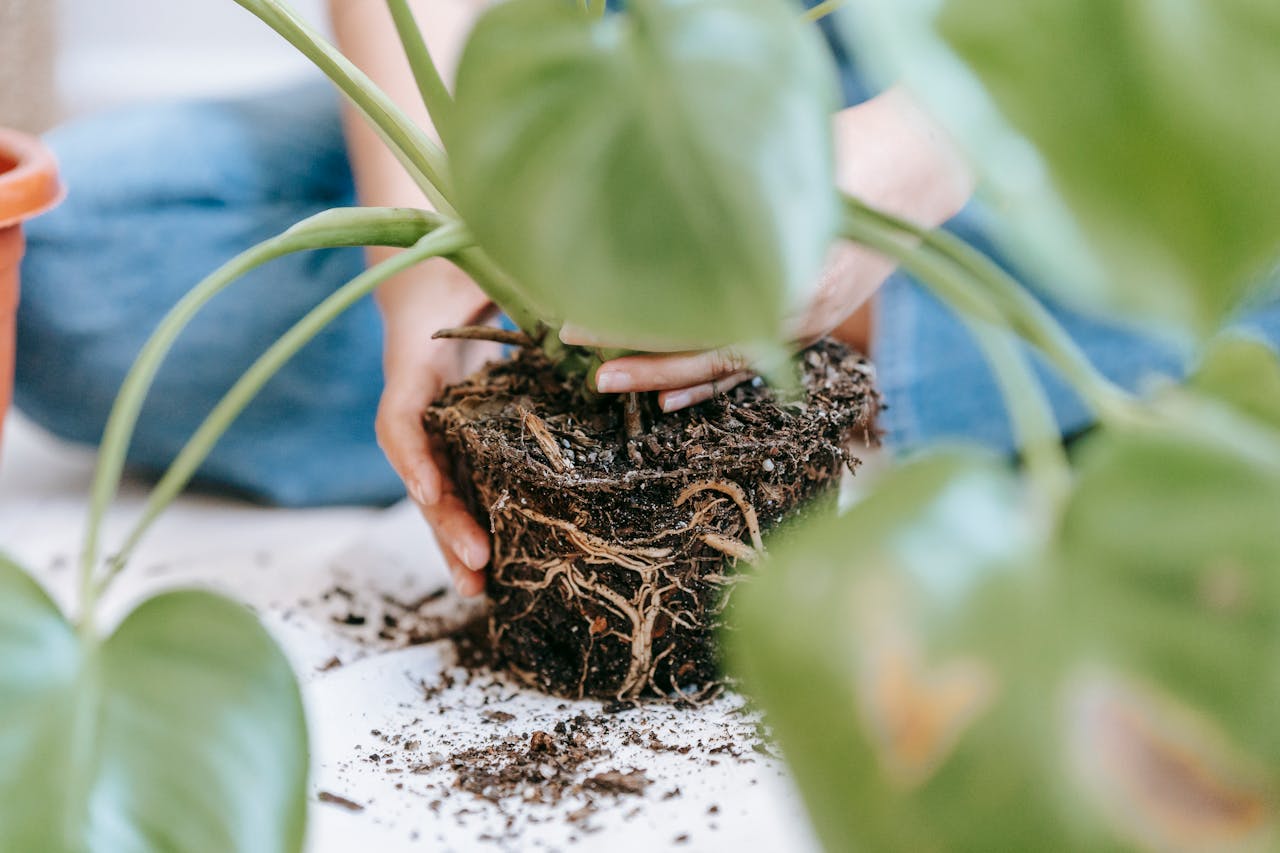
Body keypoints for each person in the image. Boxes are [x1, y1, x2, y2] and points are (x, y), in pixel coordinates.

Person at [16, 0, 1277, 597]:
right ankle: (670, 299)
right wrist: (434, 276)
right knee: (72, 261)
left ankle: (780, 313)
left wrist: (887, 175)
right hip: (601, 70)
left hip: (979, 65)